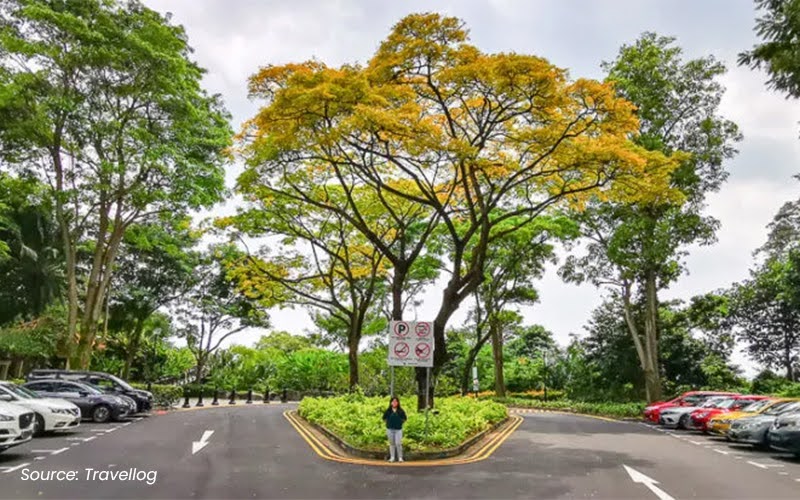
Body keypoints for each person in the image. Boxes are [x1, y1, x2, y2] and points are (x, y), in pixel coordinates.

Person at [382, 396, 407, 462]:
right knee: (392, 443)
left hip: (398, 430)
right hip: (390, 429)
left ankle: (400, 457)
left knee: (398, 443)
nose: (394, 403)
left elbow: (404, 419)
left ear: (398, 403)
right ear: (391, 403)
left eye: (396, 401)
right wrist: (389, 423)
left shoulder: (400, 411)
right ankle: (392, 457)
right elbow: (384, 418)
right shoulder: (388, 411)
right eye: (393, 401)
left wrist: (399, 423)